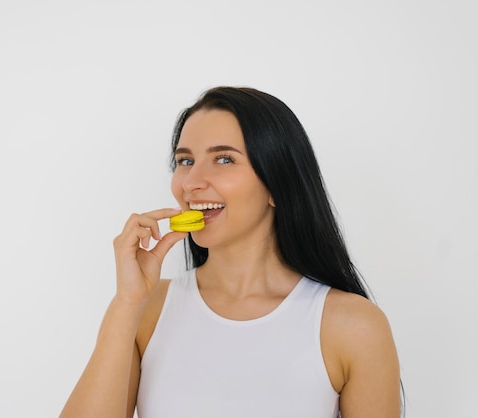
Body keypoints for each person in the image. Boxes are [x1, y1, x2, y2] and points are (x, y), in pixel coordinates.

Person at [59, 86, 402, 418]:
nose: (192, 181)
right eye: (185, 160)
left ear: (276, 185)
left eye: (224, 159)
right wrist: (127, 302)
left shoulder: (353, 326)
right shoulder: (145, 309)